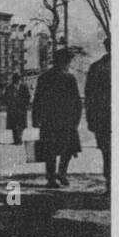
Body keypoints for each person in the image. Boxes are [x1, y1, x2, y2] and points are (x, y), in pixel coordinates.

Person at [31, 47, 82, 189]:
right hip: (66, 120)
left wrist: (36, 119)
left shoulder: (44, 77)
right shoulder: (69, 78)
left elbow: (37, 100)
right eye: (68, 61)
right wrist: (76, 120)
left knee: (50, 150)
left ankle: (51, 177)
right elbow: (76, 101)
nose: (69, 64)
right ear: (64, 61)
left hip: (49, 120)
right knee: (68, 149)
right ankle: (62, 173)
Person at [84, 37, 111, 194]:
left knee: (107, 155)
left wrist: (91, 120)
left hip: (102, 120)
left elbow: (89, 97)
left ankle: (110, 186)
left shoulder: (96, 67)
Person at [4, 73, 31, 145]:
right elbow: (6, 97)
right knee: (14, 125)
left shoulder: (24, 87)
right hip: (13, 109)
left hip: (21, 108)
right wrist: (9, 104)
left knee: (21, 125)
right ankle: (17, 139)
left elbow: (28, 96)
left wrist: (25, 104)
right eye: (16, 79)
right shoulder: (9, 87)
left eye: (18, 79)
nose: (17, 81)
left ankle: (19, 138)